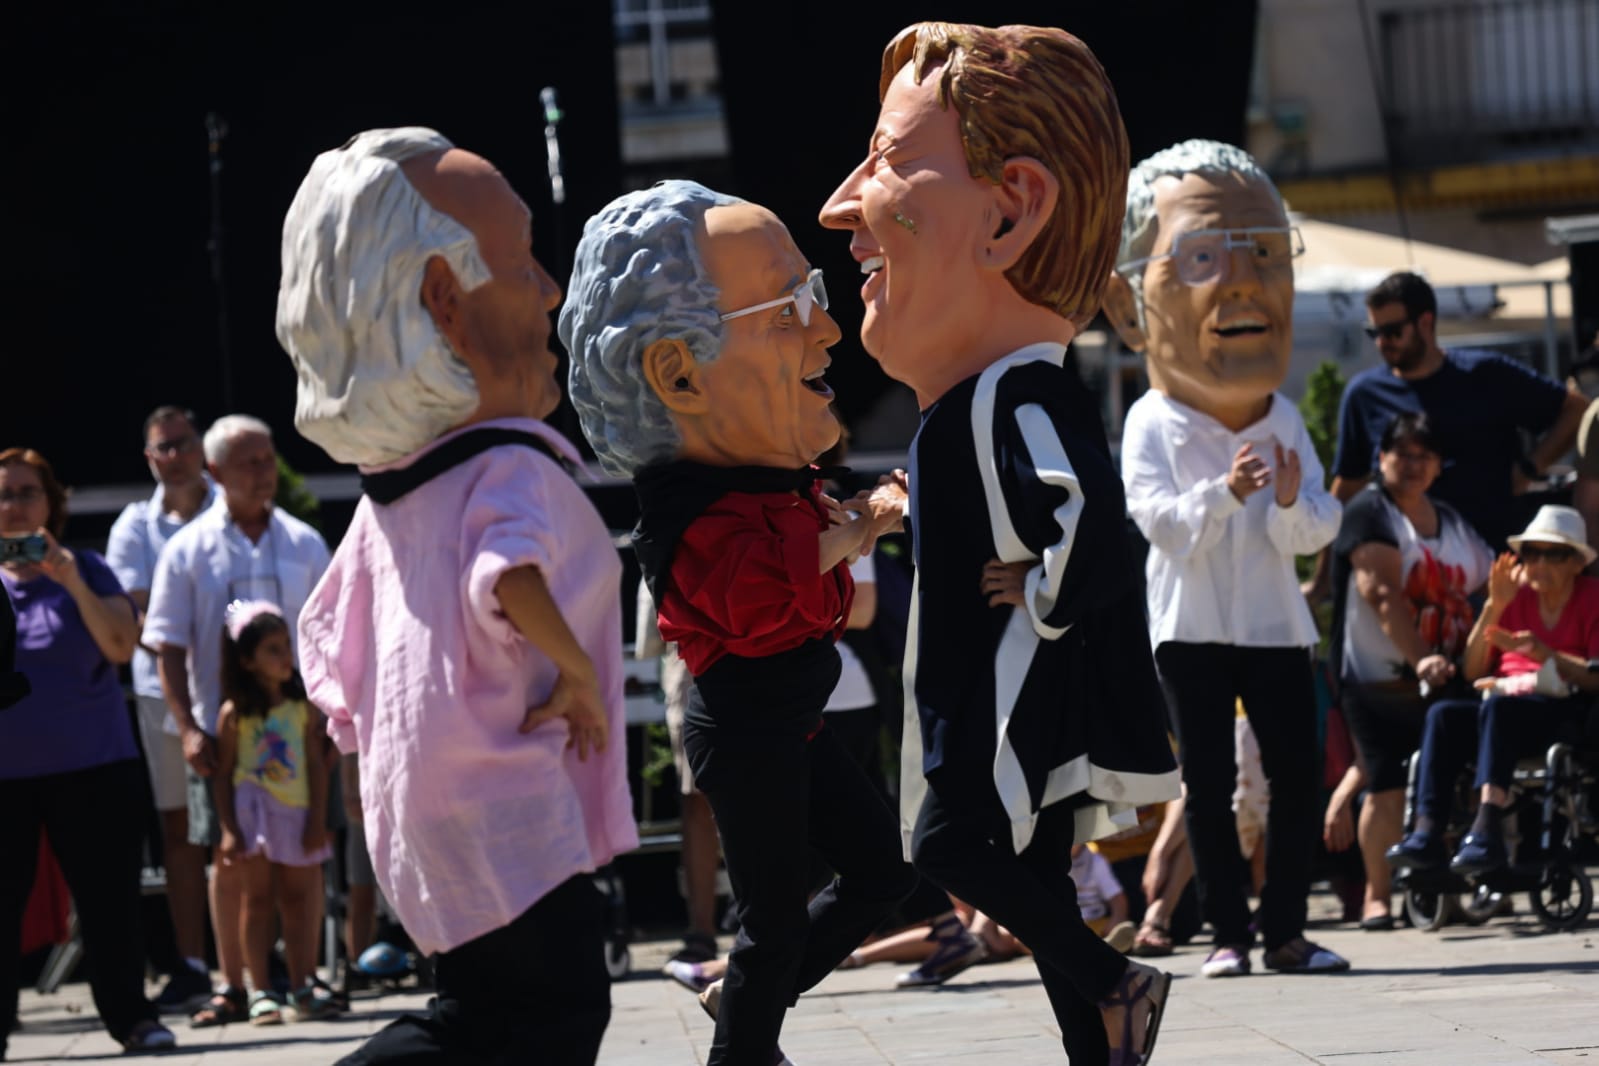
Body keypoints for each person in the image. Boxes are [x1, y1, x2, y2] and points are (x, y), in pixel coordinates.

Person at [820, 23, 1180, 1066]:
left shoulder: (1013, 390)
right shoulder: (981, 403)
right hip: (1006, 698)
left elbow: (1088, 518)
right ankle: (1106, 1033)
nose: (841, 206)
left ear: (1012, 211)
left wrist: (1042, 586)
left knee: (940, 843)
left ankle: (1118, 978)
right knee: (1035, 871)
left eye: (887, 161)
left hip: (1011, 706)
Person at [278, 127, 637, 1066]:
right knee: (545, 1014)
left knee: (486, 1010)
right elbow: (507, 577)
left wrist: (377, 755)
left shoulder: (396, 490)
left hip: (419, 811)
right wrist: (577, 677)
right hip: (505, 793)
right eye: (522, 260)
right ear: (445, 299)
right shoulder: (508, 466)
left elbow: (329, 640)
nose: (551, 288)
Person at [562, 178, 915, 1066]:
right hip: (747, 728)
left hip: (791, 721)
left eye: (817, 297)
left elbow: (816, 574)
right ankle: (742, 1048)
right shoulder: (688, 511)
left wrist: (856, 523)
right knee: (774, 916)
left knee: (877, 873)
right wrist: (864, 525)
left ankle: (747, 997)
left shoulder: (775, 483)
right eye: (792, 309)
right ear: (677, 372)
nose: (828, 330)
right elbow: (761, 592)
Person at [1106, 138, 1348, 978]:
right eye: (1204, 255)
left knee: (1293, 784)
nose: (1243, 282)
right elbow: (1160, 526)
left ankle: (1286, 930)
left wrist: (1284, 503)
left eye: (1266, 253)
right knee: (1205, 790)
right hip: (1192, 626)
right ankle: (1228, 937)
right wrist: (1229, 494)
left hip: (1275, 624)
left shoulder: (1281, 415)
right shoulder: (1150, 423)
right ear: (1127, 305)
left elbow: (1318, 525)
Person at [142, 414, 331, 1027]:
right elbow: (165, 645)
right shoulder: (186, 549)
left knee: (299, 862)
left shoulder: (304, 542)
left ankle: (302, 981)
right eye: (249, 461)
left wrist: (330, 719)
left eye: (268, 457)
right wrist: (190, 728)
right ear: (215, 471)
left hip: (296, 737)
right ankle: (234, 984)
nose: (264, 470)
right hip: (222, 736)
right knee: (230, 861)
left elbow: (329, 638)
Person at [0, 447, 175, 1055]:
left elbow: (123, 645)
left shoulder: (92, 569)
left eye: (26, 492)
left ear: (51, 503)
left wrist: (68, 577)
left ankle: (131, 1016)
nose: (14, 505)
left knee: (109, 906)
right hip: (6, 777)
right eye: (4, 494)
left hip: (94, 766)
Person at [1326, 412, 1492, 928]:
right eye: (1403, 453)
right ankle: (1377, 896)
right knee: (1386, 782)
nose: (1414, 464)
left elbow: (1489, 586)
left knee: (1451, 780)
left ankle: (1448, 886)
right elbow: (1381, 593)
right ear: (1382, 458)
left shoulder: (1452, 519)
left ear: (1440, 465)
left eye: (1426, 455)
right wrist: (1422, 657)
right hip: (1377, 679)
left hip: (1450, 680)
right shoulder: (1368, 512)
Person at [1389, 504, 1599, 876]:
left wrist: (1546, 655)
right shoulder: (1514, 595)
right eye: (1532, 552)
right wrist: (1493, 605)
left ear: (1577, 562)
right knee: (1444, 715)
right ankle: (1426, 832)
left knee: (1500, 710)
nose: (1539, 562)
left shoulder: (1592, 597)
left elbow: (1594, 678)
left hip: (1560, 708)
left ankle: (1487, 826)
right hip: (1500, 702)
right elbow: (1473, 670)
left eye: (1554, 554)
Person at [1330, 272, 1588, 557]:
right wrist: (1322, 578)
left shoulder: (1484, 374)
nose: (1382, 342)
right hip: (1409, 563)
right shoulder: (1364, 394)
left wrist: (1529, 469)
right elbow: (1348, 485)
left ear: (1425, 323)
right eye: (1374, 332)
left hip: (1493, 555)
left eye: (1392, 331)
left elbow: (1576, 411)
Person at [104, 404, 217, 1010]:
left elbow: (244, 605)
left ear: (200, 447)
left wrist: (203, 629)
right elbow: (139, 617)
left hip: (235, 696)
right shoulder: (132, 527)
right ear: (149, 457)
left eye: (181, 443)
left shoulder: (237, 510)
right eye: (161, 448)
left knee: (249, 828)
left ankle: (261, 964)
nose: (173, 456)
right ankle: (194, 965)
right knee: (180, 832)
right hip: (160, 698)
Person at [209, 601, 339, 1024]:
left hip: (297, 814)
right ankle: (261, 990)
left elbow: (318, 766)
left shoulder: (304, 708)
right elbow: (223, 776)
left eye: (287, 646)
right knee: (257, 900)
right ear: (246, 661)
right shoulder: (233, 715)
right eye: (273, 650)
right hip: (255, 820)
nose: (286, 657)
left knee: (300, 901)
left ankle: (304, 983)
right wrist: (229, 830)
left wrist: (317, 821)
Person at [636, 577, 724, 989]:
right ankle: (702, 932)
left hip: (756, 646)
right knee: (697, 799)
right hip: (692, 653)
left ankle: (763, 924)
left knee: (764, 799)